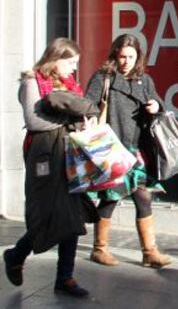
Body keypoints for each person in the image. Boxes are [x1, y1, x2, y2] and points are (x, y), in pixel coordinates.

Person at [2, 38, 100, 298]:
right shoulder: (31, 81)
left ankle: (65, 277)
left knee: (73, 215)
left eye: (76, 63)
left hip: (70, 154)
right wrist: (71, 116)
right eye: (70, 62)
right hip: (45, 156)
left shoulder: (70, 85)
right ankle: (15, 255)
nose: (73, 68)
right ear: (54, 59)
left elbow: (83, 113)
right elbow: (35, 121)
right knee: (47, 213)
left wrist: (81, 117)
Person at [85, 34, 171, 268]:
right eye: (122, 56)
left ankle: (149, 252)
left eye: (131, 56)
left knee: (144, 197)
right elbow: (89, 104)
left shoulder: (144, 79)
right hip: (113, 146)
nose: (126, 61)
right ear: (115, 54)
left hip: (138, 148)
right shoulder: (103, 77)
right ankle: (99, 249)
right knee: (110, 198)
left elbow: (158, 103)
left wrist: (156, 106)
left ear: (138, 57)